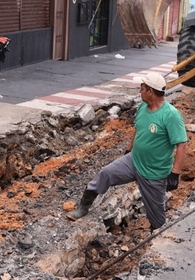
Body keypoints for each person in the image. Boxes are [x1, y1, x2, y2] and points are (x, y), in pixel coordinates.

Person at [66, 72, 187, 229]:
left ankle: (155, 237)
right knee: (106, 173)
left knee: (157, 220)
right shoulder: (143, 107)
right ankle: (83, 207)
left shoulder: (171, 115)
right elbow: (138, 129)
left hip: (154, 173)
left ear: (150, 91)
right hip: (134, 160)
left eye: (142, 88)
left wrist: (175, 173)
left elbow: (182, 145)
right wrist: (128, 149)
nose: (139, 91)